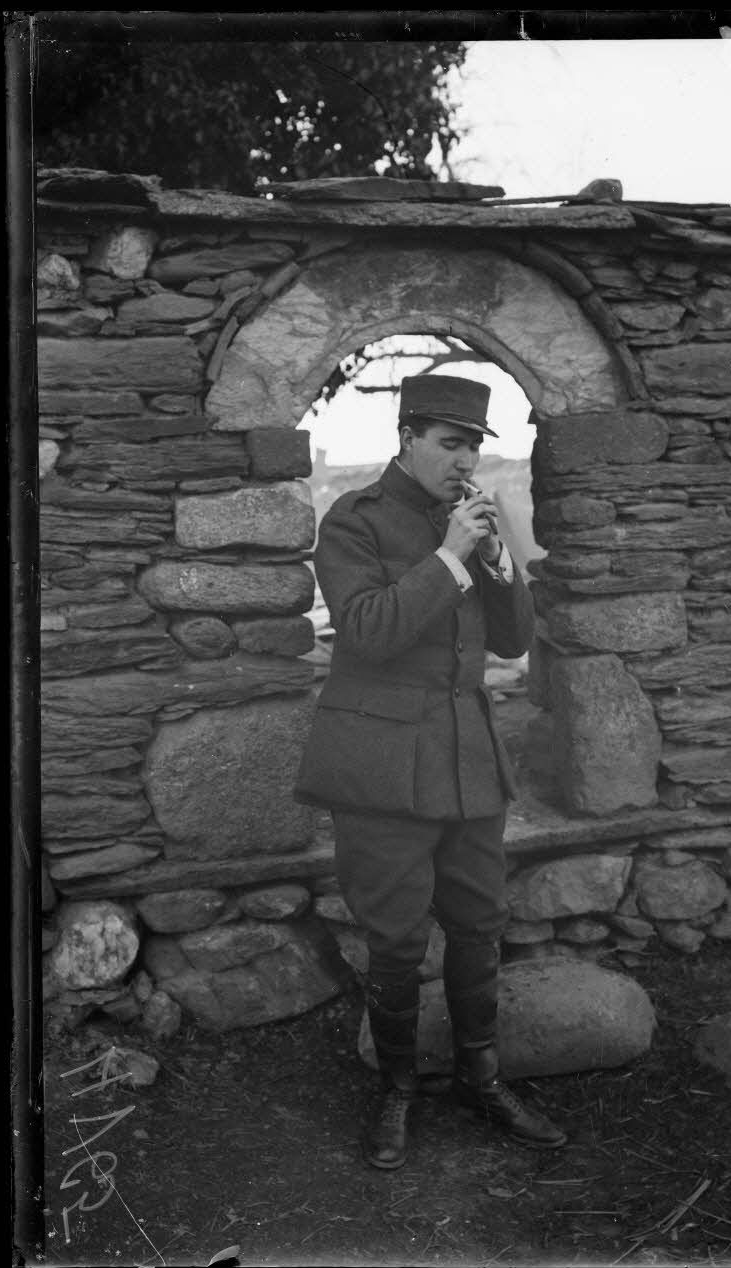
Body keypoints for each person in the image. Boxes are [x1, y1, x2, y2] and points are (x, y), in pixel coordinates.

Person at [294, 373, 567, 1169]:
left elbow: (512, 643)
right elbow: (368, 633)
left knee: (479, 923)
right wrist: (448, 557)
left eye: (473, 447)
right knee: (396, 939)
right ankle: (398, 1090)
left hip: (468, 759)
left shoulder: (471, 521)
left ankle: (483, 1081)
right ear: (407, 438)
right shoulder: (355, 520)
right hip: (381, 766)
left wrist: (497, 558)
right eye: (450, 444)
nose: (464, 461)